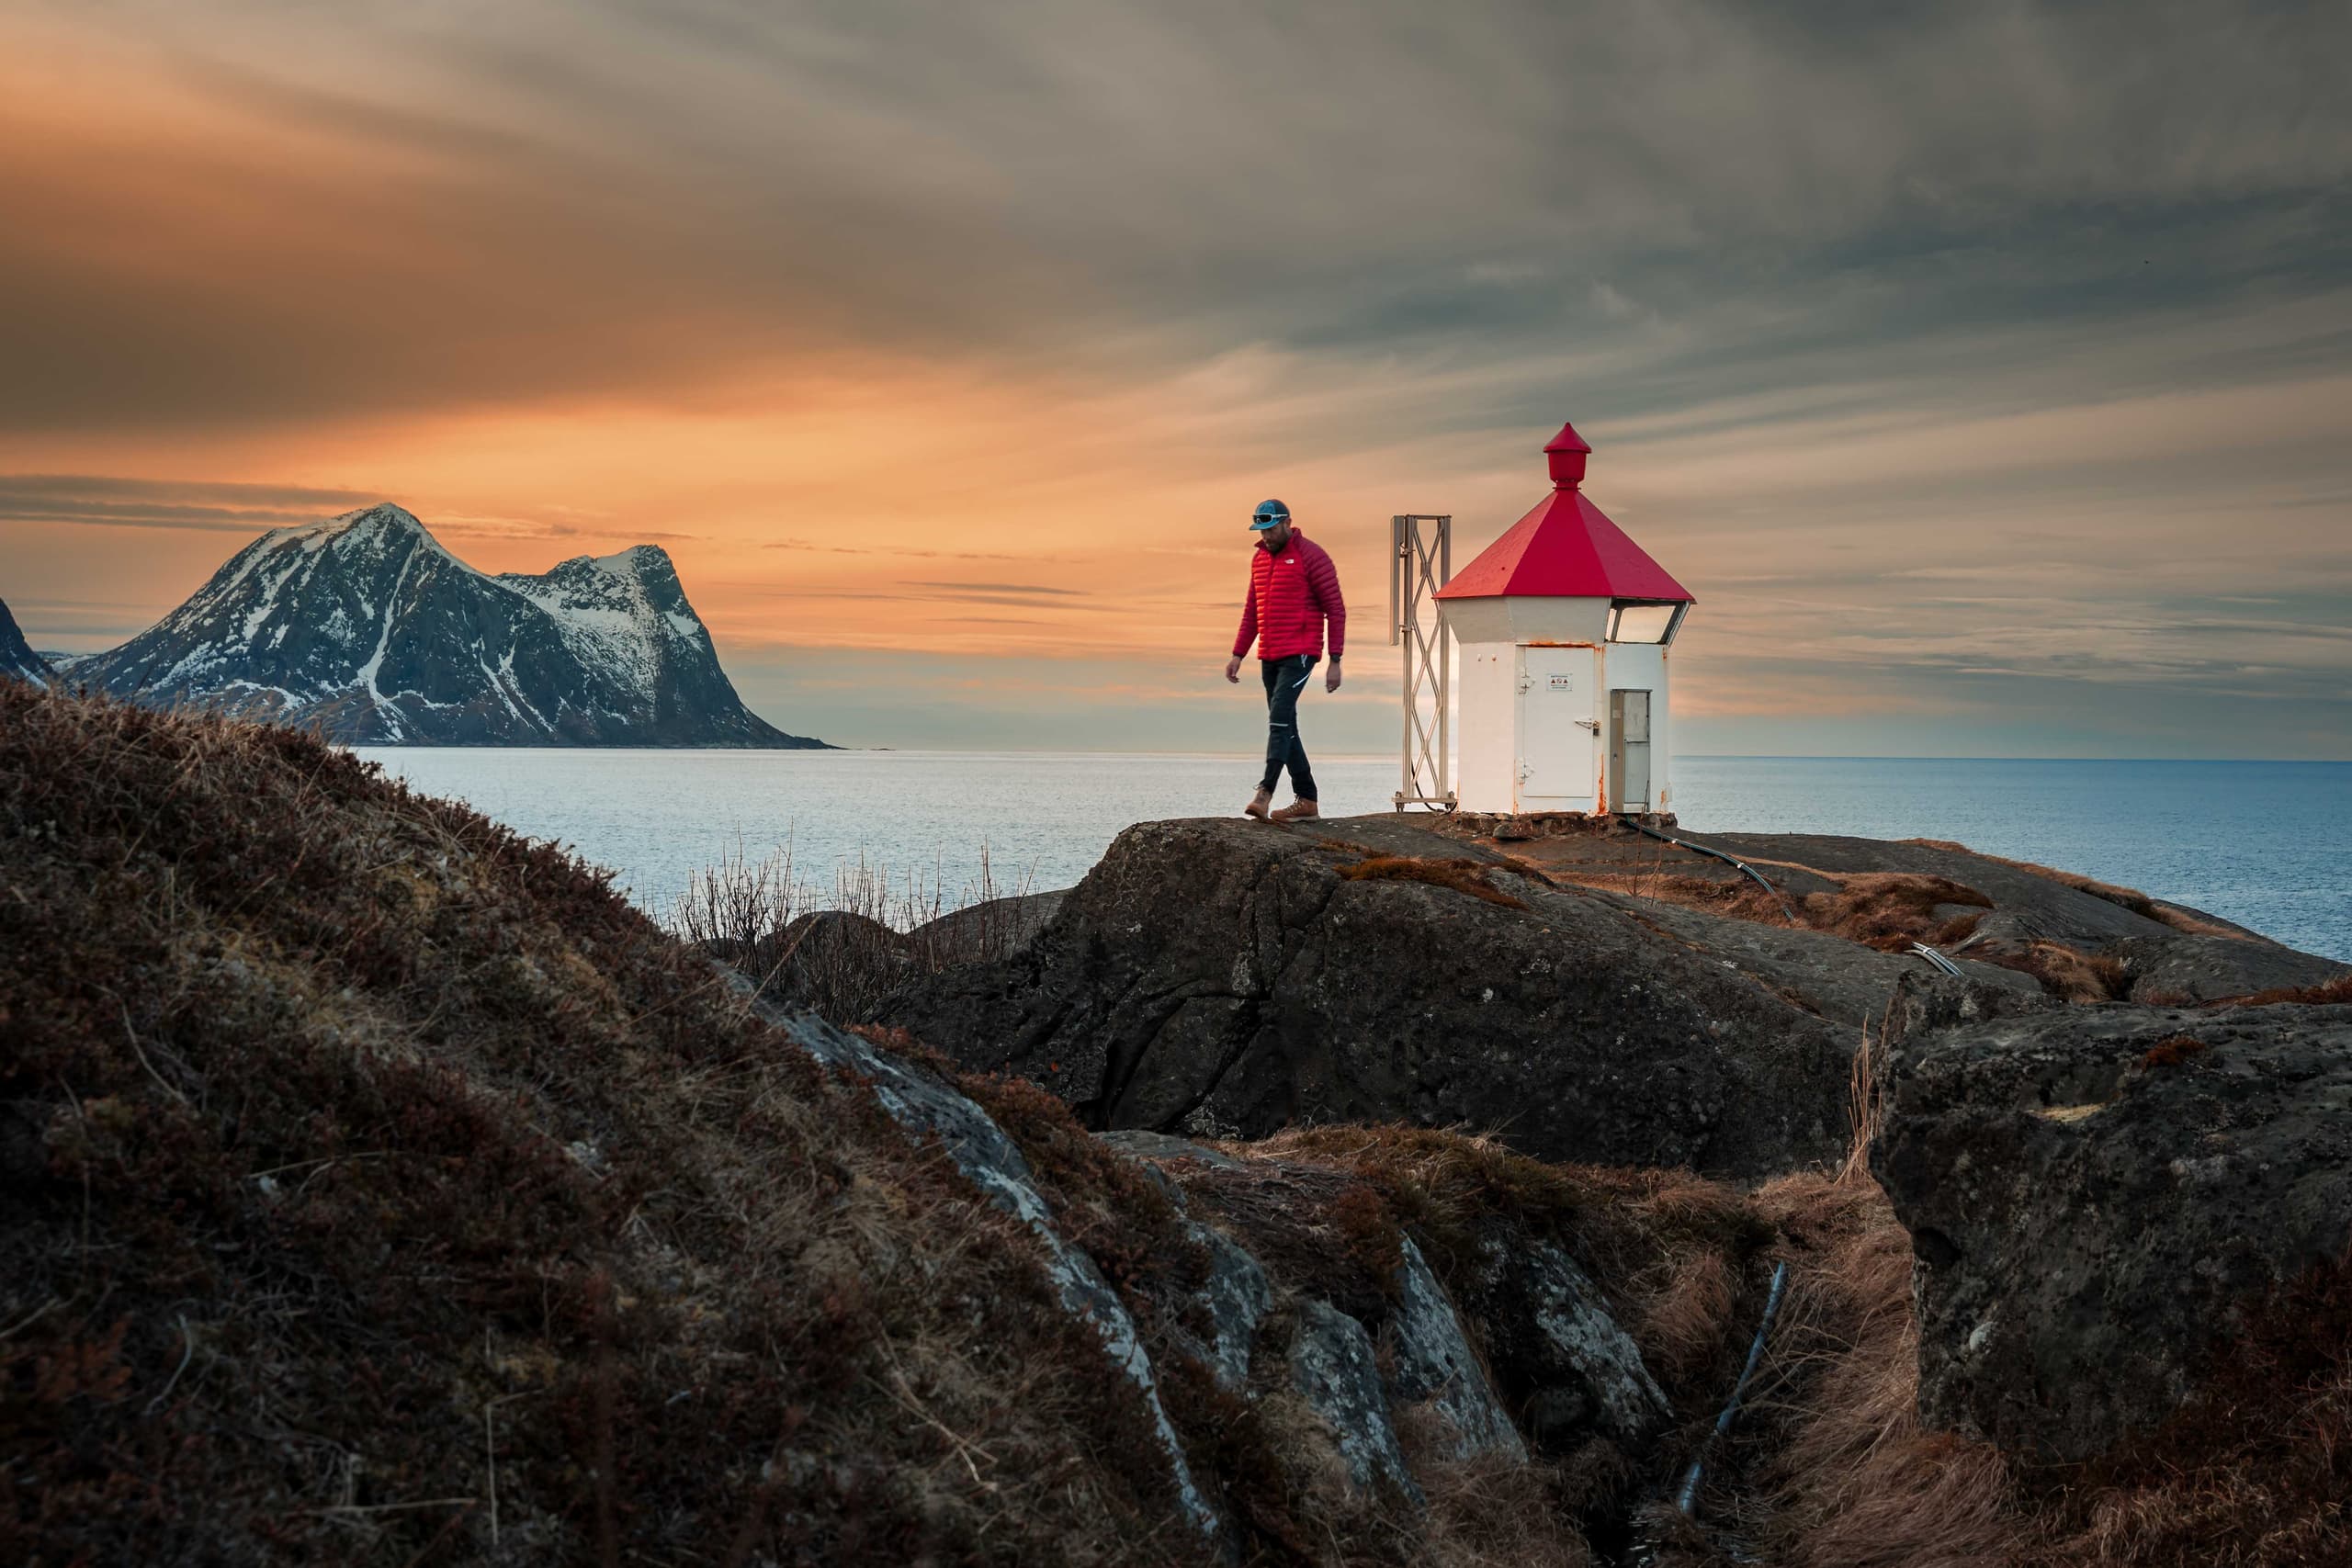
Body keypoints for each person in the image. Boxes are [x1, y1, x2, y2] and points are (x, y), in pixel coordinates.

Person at [1225, 498, 1344, 821]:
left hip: (1302, 652)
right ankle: (1307, 800)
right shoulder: (1259, 560)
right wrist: (1238, 654)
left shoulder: (1312, 556)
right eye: (1261, 530)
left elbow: (1335, 609)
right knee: (1286, 726)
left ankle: (1264, 793)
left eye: (1271, 528)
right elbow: (1253, 610)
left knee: (1278, 720)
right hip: (1269, 654)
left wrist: (1335, 659)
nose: (1266, 536)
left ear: (1287, 523)